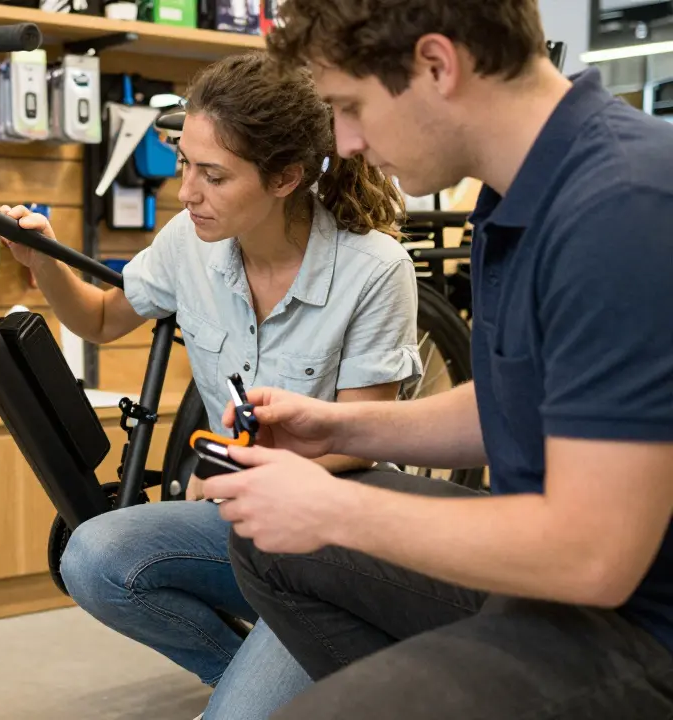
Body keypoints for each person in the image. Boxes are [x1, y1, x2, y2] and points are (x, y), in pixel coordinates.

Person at [200, 1, 673, 718]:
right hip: (565, 588)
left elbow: (592, 556)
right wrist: (338, 429)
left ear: (435, 65)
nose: (347, 143)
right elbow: (517, 402)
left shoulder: (622, 208)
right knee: (270, 548)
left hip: (641, 623)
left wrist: (334, 507)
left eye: (350, 106)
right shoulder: (517, 192)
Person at [0, 52, 420, 719]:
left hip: (334, 540)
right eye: (185, 163)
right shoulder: (189, 242)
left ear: (286, 177)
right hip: (244, 522)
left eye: (213, 175)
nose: (187, 191)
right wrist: (43, 261)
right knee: (95, 557)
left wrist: (233, 465)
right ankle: (258, 685)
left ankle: (301, 682)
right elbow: (101, 318)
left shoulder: (374, 268)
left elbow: (360, 440)